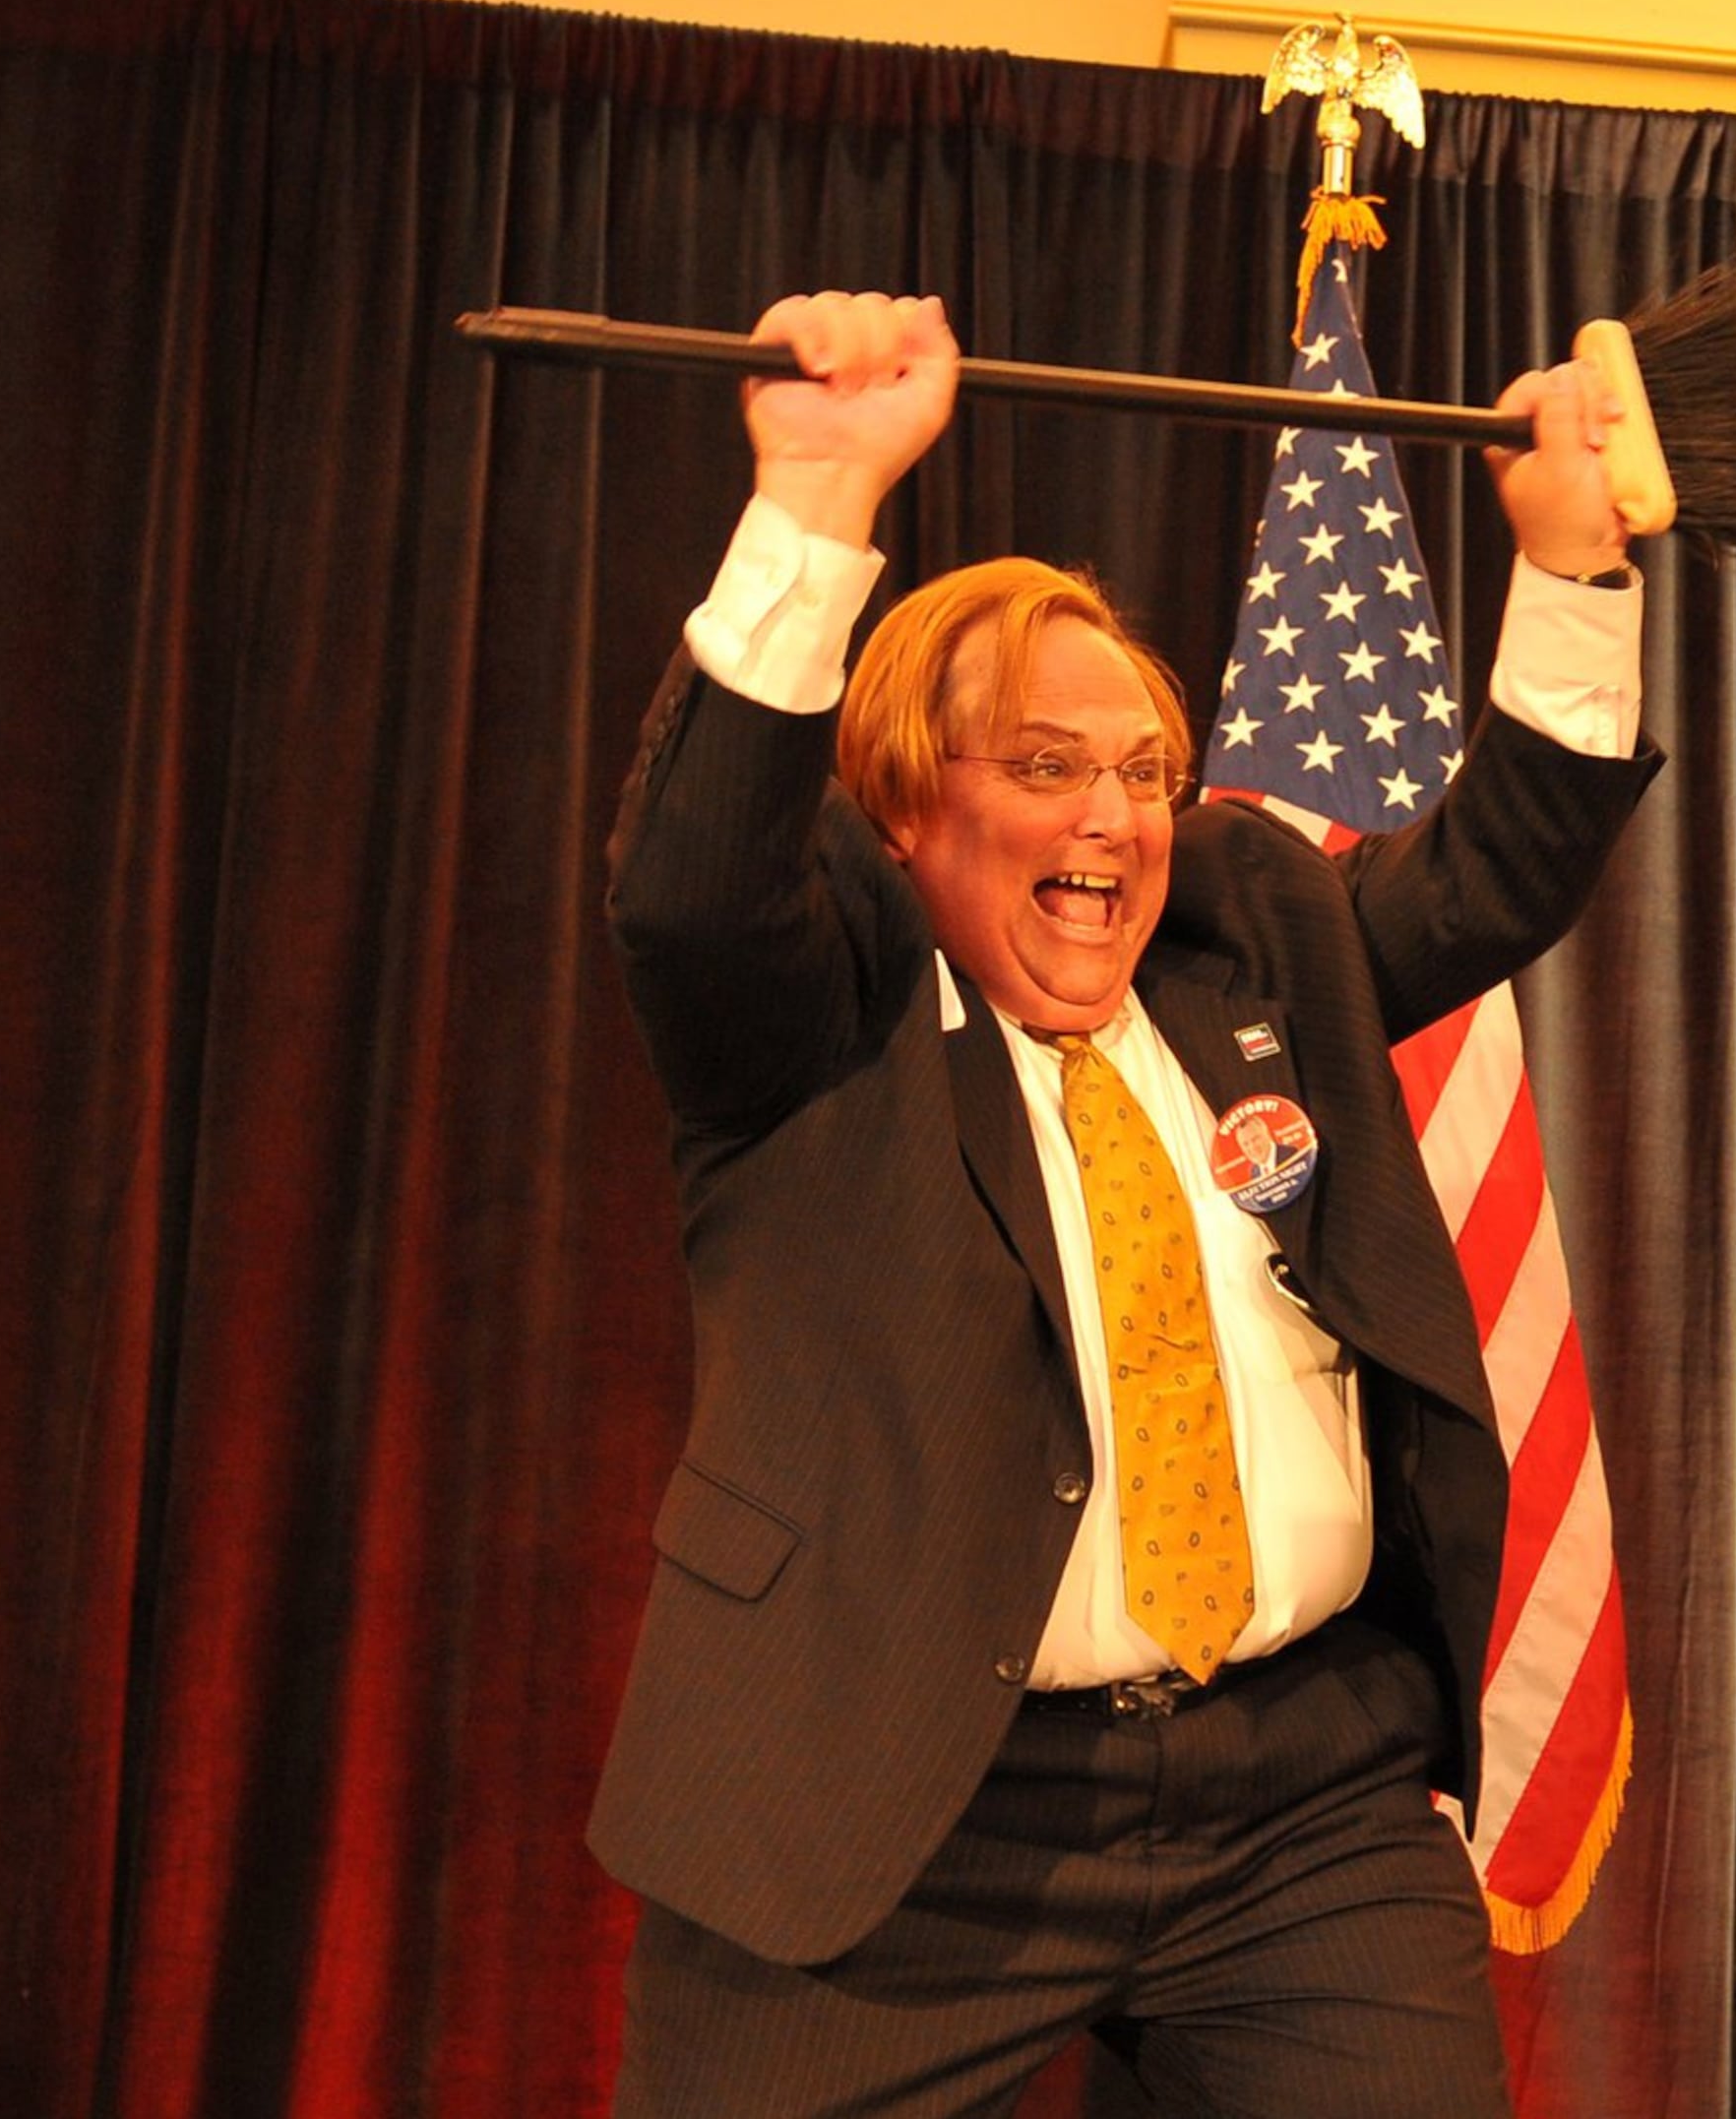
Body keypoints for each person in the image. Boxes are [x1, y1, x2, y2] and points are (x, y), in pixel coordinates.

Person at [590, 290, 1660, 2116]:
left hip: (1302, 1803)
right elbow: (690, 884)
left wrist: (1571, 564)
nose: (1114, 819)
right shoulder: (811, 1013)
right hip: (903, 1802)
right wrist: (818, 502)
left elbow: (1496, 872)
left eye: (1144, 772)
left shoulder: (1249, 938)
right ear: (904, 804)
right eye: (1045, 766)